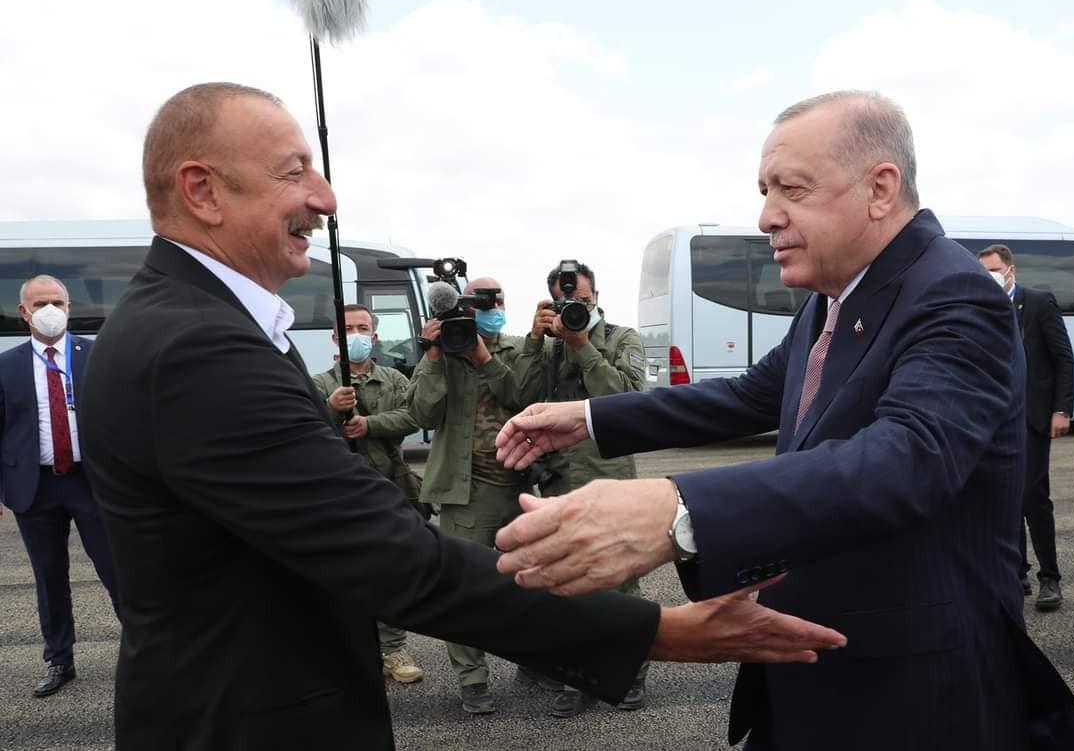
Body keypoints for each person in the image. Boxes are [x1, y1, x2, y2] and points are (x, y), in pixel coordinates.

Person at [78, 82, 844, 750]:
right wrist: (662, 631)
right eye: (293, 171)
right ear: (203, 191)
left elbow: (737, 397)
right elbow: (397, 559)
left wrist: (584, 414)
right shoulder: (198, 348)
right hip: (247, 722)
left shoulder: (197, 324)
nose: (325, 197)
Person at [494, 90, 1074, 750]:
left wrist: (677, 512)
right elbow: (750, 395)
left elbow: (908, 456)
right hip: (814, 665)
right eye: (765, 190)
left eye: (791, 189)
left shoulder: (953, 291)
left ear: (880, 188)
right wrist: (591, 416)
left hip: (910, 689)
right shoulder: (835, 296)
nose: (767, 216)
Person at [515, 261, 652, 717]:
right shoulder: (548, 345)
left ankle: (630, 672)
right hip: (559, 479)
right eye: (564, 303)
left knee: (620, 579)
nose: (574, 309)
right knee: (565, 581)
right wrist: (535, 341)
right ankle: (577, 676)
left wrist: (583, 345)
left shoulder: (622, 338)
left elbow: (626, 398)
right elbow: (521, 397)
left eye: (583, 301)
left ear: (597, 299)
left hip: (608, 475)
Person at [407, 276, 538, 714]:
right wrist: (432, 356)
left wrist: (483, 357)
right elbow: (422, 414)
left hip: (518, 486)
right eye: (479, 302)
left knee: (531, 584)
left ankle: (535, 660)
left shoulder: (519, 349)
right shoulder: (444, 352)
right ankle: (472, 679)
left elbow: (524, 398)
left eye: (495, 299)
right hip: (464, 491)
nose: (489, 307)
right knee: (462, 588)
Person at [0, 275, 119, 698]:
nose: (50, 310)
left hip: (91, 483)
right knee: (49, 577)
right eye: (40, 304)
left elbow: (124, 419)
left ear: (69, 308)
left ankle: (147, 652)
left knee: (117, 570)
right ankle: (59, 659)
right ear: (24, 312)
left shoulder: (98, 355)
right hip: (35, 487)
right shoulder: (7, 366)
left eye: (57, 302)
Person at [312, 303, 426, 684]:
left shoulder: (393, 379)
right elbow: (304, 427)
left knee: (390, 569)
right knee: (342, 571)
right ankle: (348, 650)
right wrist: (331, 410)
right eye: (348, 329)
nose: (356, 335)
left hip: (388, 486)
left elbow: (414, 416)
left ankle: (393, 649)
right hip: (339, 492)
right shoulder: (319, 384)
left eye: (363, 328)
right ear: (335, 337)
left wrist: (369, 424)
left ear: (374, 337)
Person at [979, 244, 1074, 611]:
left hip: (1031, 417)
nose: (989, 277)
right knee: (1005, 497)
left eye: (994, 270)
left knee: (1033, 496)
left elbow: (1064, 359)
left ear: (1011, 270)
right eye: (983, 271)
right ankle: (1016, 574)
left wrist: (1061, 409)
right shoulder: (982, 308)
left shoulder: (1037, 303)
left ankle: (1050, 577)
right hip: (995, 419)